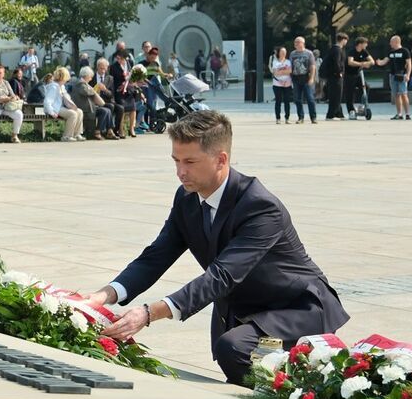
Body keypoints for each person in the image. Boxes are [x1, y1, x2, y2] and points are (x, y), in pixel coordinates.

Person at [81, 110, 349, 384]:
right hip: (247, 311)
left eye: (190, 161)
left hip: (295, 309)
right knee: (238, 363)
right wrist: (104, 295)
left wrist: (148, 314)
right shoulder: (187, 197)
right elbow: (156, 256)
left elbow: (222, 275)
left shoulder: (259, 206)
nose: (180, 172)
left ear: (221, 159)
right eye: (176, 161)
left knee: (234, 348)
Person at [72, 65, 113, 140]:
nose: (91, 79)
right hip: (85, 109)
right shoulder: (80, 83)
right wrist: (95, 89)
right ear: (86, 76)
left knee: (107, 110)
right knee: (105, 111)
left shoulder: (84, 83)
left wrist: (92, 89)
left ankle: (104, 130)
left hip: (90, 107)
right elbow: (86, 92)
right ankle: (98, 132)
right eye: (90, 77)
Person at [377, 34, 412, 120]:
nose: (390, 44)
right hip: (393, 75)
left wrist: (408, 75)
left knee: (404, 94)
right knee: (396, 95)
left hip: (402, 75)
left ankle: (407, 113)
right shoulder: (391, 52)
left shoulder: (405, 51)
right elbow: (384, 61)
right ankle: (399, 114)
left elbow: (409, 64)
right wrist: (379, 62)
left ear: (396, 42)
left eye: (391, 42)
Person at [44, 68, 83, 141]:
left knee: (79, 111)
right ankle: (66, 136)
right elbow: (47, 101)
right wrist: (51, 112)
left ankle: (77, 134)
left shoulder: (62, 86)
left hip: (61, 107)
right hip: (54, 109)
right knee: (73, 114)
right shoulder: (54, 87)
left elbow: (66, 98)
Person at [288, 36, 318, 124]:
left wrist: (312, 78)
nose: (296, 44)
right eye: (295, 42)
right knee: (297, 99)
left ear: (302, 43)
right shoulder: (292, 54)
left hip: (306, 78)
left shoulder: (309, 53)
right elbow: (290, 66)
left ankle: (313, 117)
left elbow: (312, 66)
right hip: (296, 78)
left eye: (297, 42)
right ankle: (300, 117)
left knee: (310, 99)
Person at [93, 57, 123, 139]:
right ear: (97, 67)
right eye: (101, 68)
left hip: (107, 100)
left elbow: (111, 94)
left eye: (104, 69)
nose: (103, 71)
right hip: (96, 102)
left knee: (120, 108)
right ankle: (107, 131)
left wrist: (105, 90)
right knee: (110, 107)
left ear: (107, 68)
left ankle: (114, 130)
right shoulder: (92, 77)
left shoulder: (109, 78)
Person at [109, 46, 135, 138]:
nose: (118, 59)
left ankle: (131, 129)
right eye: (117, 58)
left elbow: (132, 75)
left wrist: (131, 80)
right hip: (119, 91)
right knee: (122, 109)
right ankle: (121, 129)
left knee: (133, 108)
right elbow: (112, 80)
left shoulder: (129, 64)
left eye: (120, 58)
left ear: (125, 58)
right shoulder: (113, 67)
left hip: (129, 90)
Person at [344, 37, 373, 117]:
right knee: (350, 93)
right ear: (360, 44)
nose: (366, 45)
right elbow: (350, 62)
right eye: (365, 43)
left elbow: (372, 61)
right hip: (349, 75)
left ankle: (362, 106)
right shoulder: (352, 51)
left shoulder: (364, 51)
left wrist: (368, 64)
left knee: (366, 87)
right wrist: (362, 64)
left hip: (358, 74)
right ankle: (351, 111)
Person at [322, 33, 348, 120]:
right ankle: (331, 114)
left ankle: (338, 113)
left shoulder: (333, 49)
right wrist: (339, 72)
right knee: (335, 95)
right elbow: (337, 62)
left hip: (332, 76)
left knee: (337, 94)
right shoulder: (337, 50)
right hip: (335, 76)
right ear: (343, 40)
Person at [269, 46, 293, 124]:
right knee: (278, 101)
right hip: (277, 84)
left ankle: (287, 118)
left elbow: (289, 71)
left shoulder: (288, 62)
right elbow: (275, 73)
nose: (283, 53)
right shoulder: (275, 62)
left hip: (287, 84)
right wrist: (284, 72)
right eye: (282, 52)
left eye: (285, 52)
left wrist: (281, 72)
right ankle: (278, 118)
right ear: (279, 53)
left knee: (287, 101)